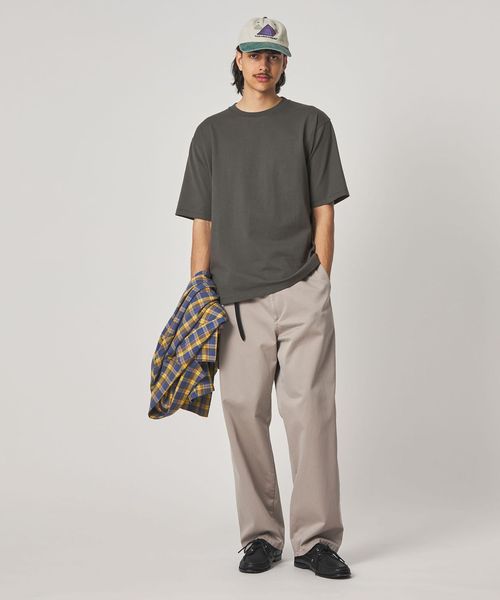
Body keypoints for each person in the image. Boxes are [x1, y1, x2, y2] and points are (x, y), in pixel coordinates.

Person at [175, 16, 352, 580]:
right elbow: (202, 223)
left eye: (273, 56)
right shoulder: (210, 133)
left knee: (312, 415)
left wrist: (320, 280)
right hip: (233, 300)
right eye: (254, 54)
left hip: (301, 288)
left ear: (285, 63)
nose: (263, 65)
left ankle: (317, 540)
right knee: (243, 413)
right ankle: (260, 537)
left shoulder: (311, 123)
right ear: (238, 59)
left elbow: (324, 209)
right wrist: (199, 294)